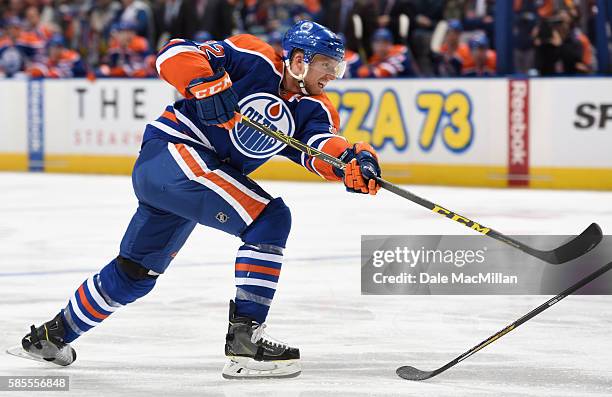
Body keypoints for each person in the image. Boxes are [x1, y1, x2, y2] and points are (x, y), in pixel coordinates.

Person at [11, 20, 382, 379]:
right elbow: (173, 53)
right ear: (300, 59)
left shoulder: (314, 108)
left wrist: (349, 160)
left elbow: (318, 147)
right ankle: (244, 343)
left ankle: (51, 336)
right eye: (327, 65)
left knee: (136, 273)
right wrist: (204, 83)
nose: (333, 75)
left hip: (188, 177)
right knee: (269, 219)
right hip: (174, 154)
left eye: (338, 68)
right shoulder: (253, 56)